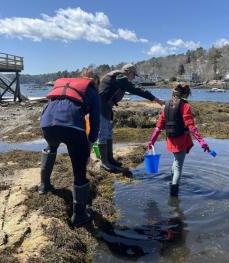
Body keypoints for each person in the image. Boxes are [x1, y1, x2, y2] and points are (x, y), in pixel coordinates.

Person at [39, 67, 100, 227]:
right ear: (95, 81)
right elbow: (95, 120)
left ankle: (44, 186)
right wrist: (91, 141)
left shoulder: (65, 86)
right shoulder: (92, 91)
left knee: (51, 147)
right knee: (79, 169)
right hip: (71, 128)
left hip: (47, 125)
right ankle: (79, 215)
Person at [98, 63, 164, 173]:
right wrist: (157, 100)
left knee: (108, 133)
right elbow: (137, 89)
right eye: (134, 75)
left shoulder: (119, 78)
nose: (134, 77)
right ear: (128, 72)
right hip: (100, 106)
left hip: (106, 106)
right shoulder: (120, 78)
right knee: (103, 133)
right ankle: (104, 162)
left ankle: (110, 159)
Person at [147, 83, 210, 196]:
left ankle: (172, 184)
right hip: (181, 140)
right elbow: (191, 126)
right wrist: (202, 142)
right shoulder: (185, 106)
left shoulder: (165, 105)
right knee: (178, 166)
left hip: (170, 140)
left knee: (175, 162)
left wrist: (152, 140)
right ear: (185, 94)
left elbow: (158, 127)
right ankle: (173, 196)